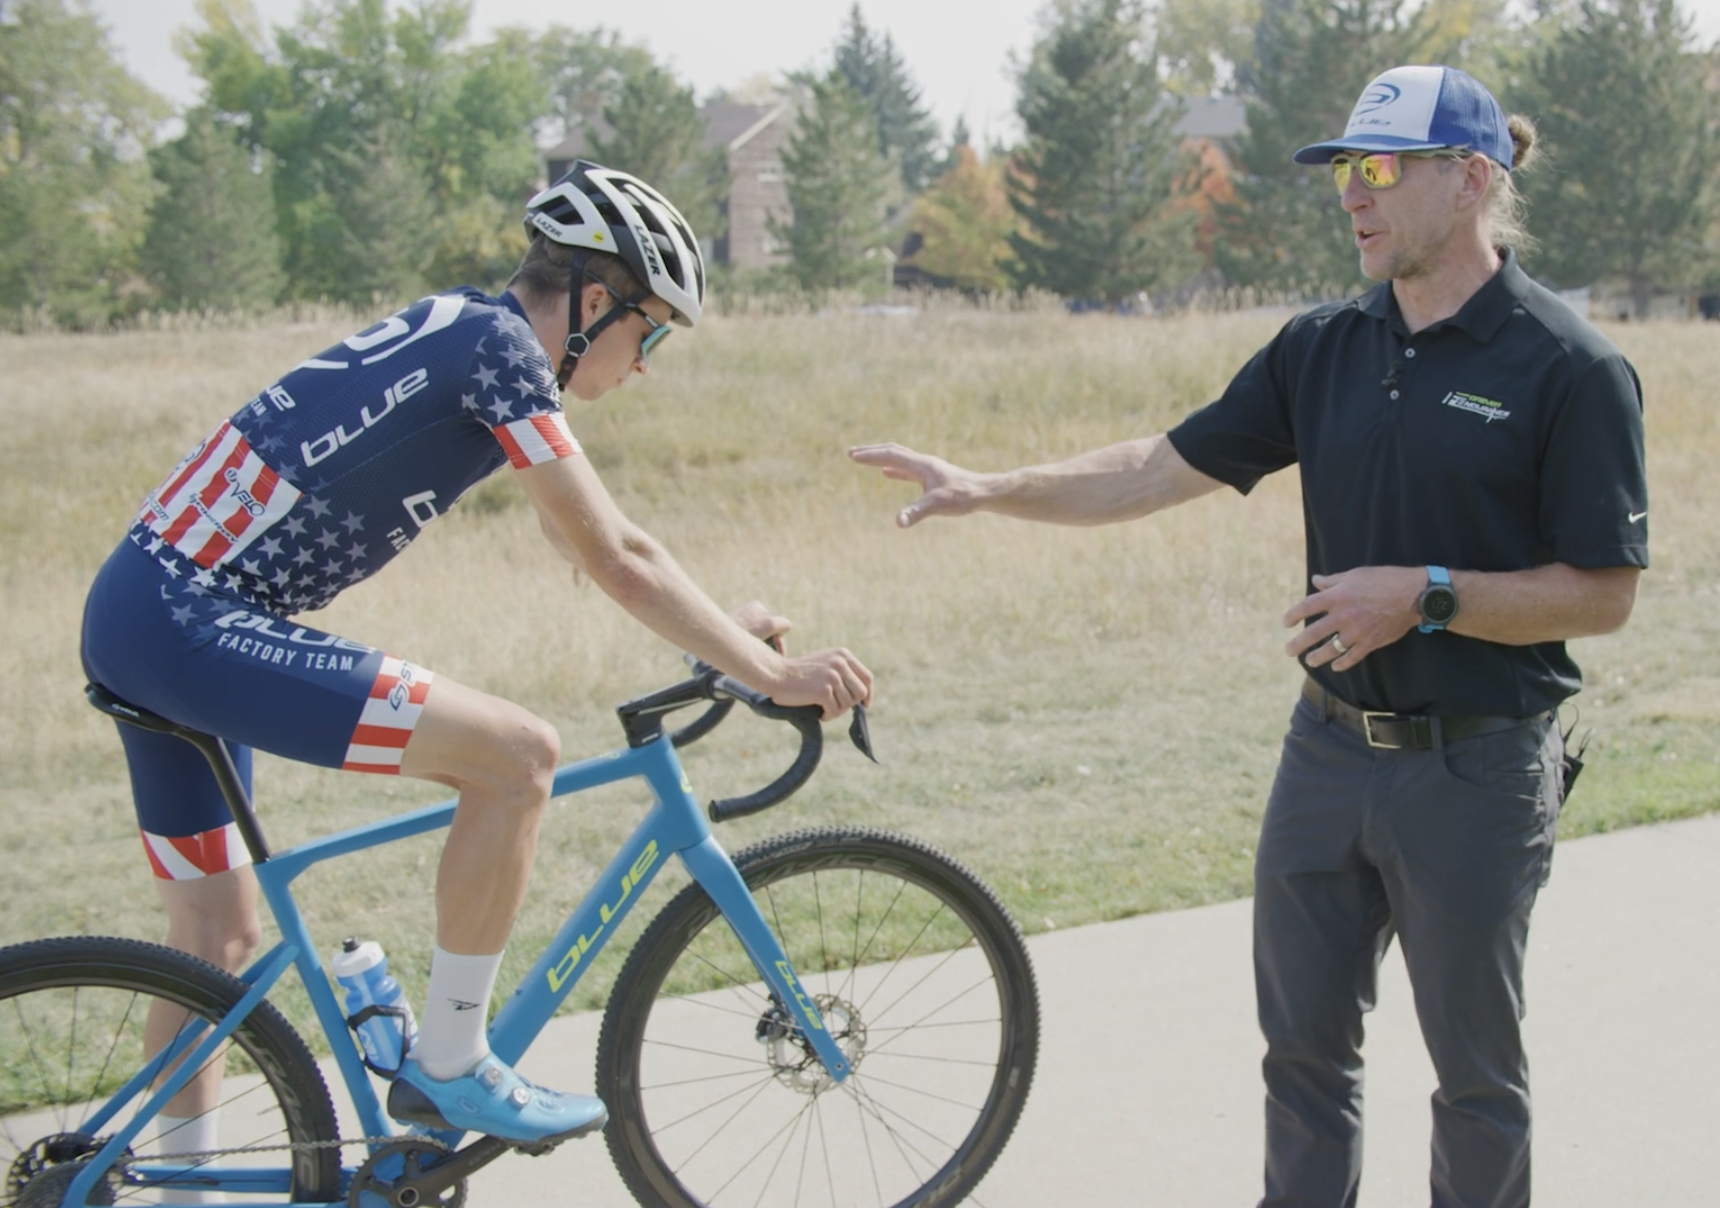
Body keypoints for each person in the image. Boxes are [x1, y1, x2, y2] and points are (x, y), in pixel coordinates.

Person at [852, 65, 1646, 1207]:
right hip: (1324, 755)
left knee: (1475, 1076)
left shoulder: (1568, 365)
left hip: (1477, 763)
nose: (1351, 195)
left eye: (1379, 169)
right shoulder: (1321, 344)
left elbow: (1601, 592)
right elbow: (1153, 466)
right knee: (1302, 1058)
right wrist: (987, 485)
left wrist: (1425, 594)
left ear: (1471, 181)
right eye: (1341, 171)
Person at [82, 160, 872, 1160]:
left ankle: (176, 1181)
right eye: (653, 329)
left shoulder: (467, 329)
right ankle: (450, 1063)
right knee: (516, 757)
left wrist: (718, 625)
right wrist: (774, 675)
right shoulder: (500, 352)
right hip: (191, 621)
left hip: (137, 607)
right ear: (595, 301)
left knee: (215, 941)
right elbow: (619, 557)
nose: (648, 360)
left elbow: (584, 541)